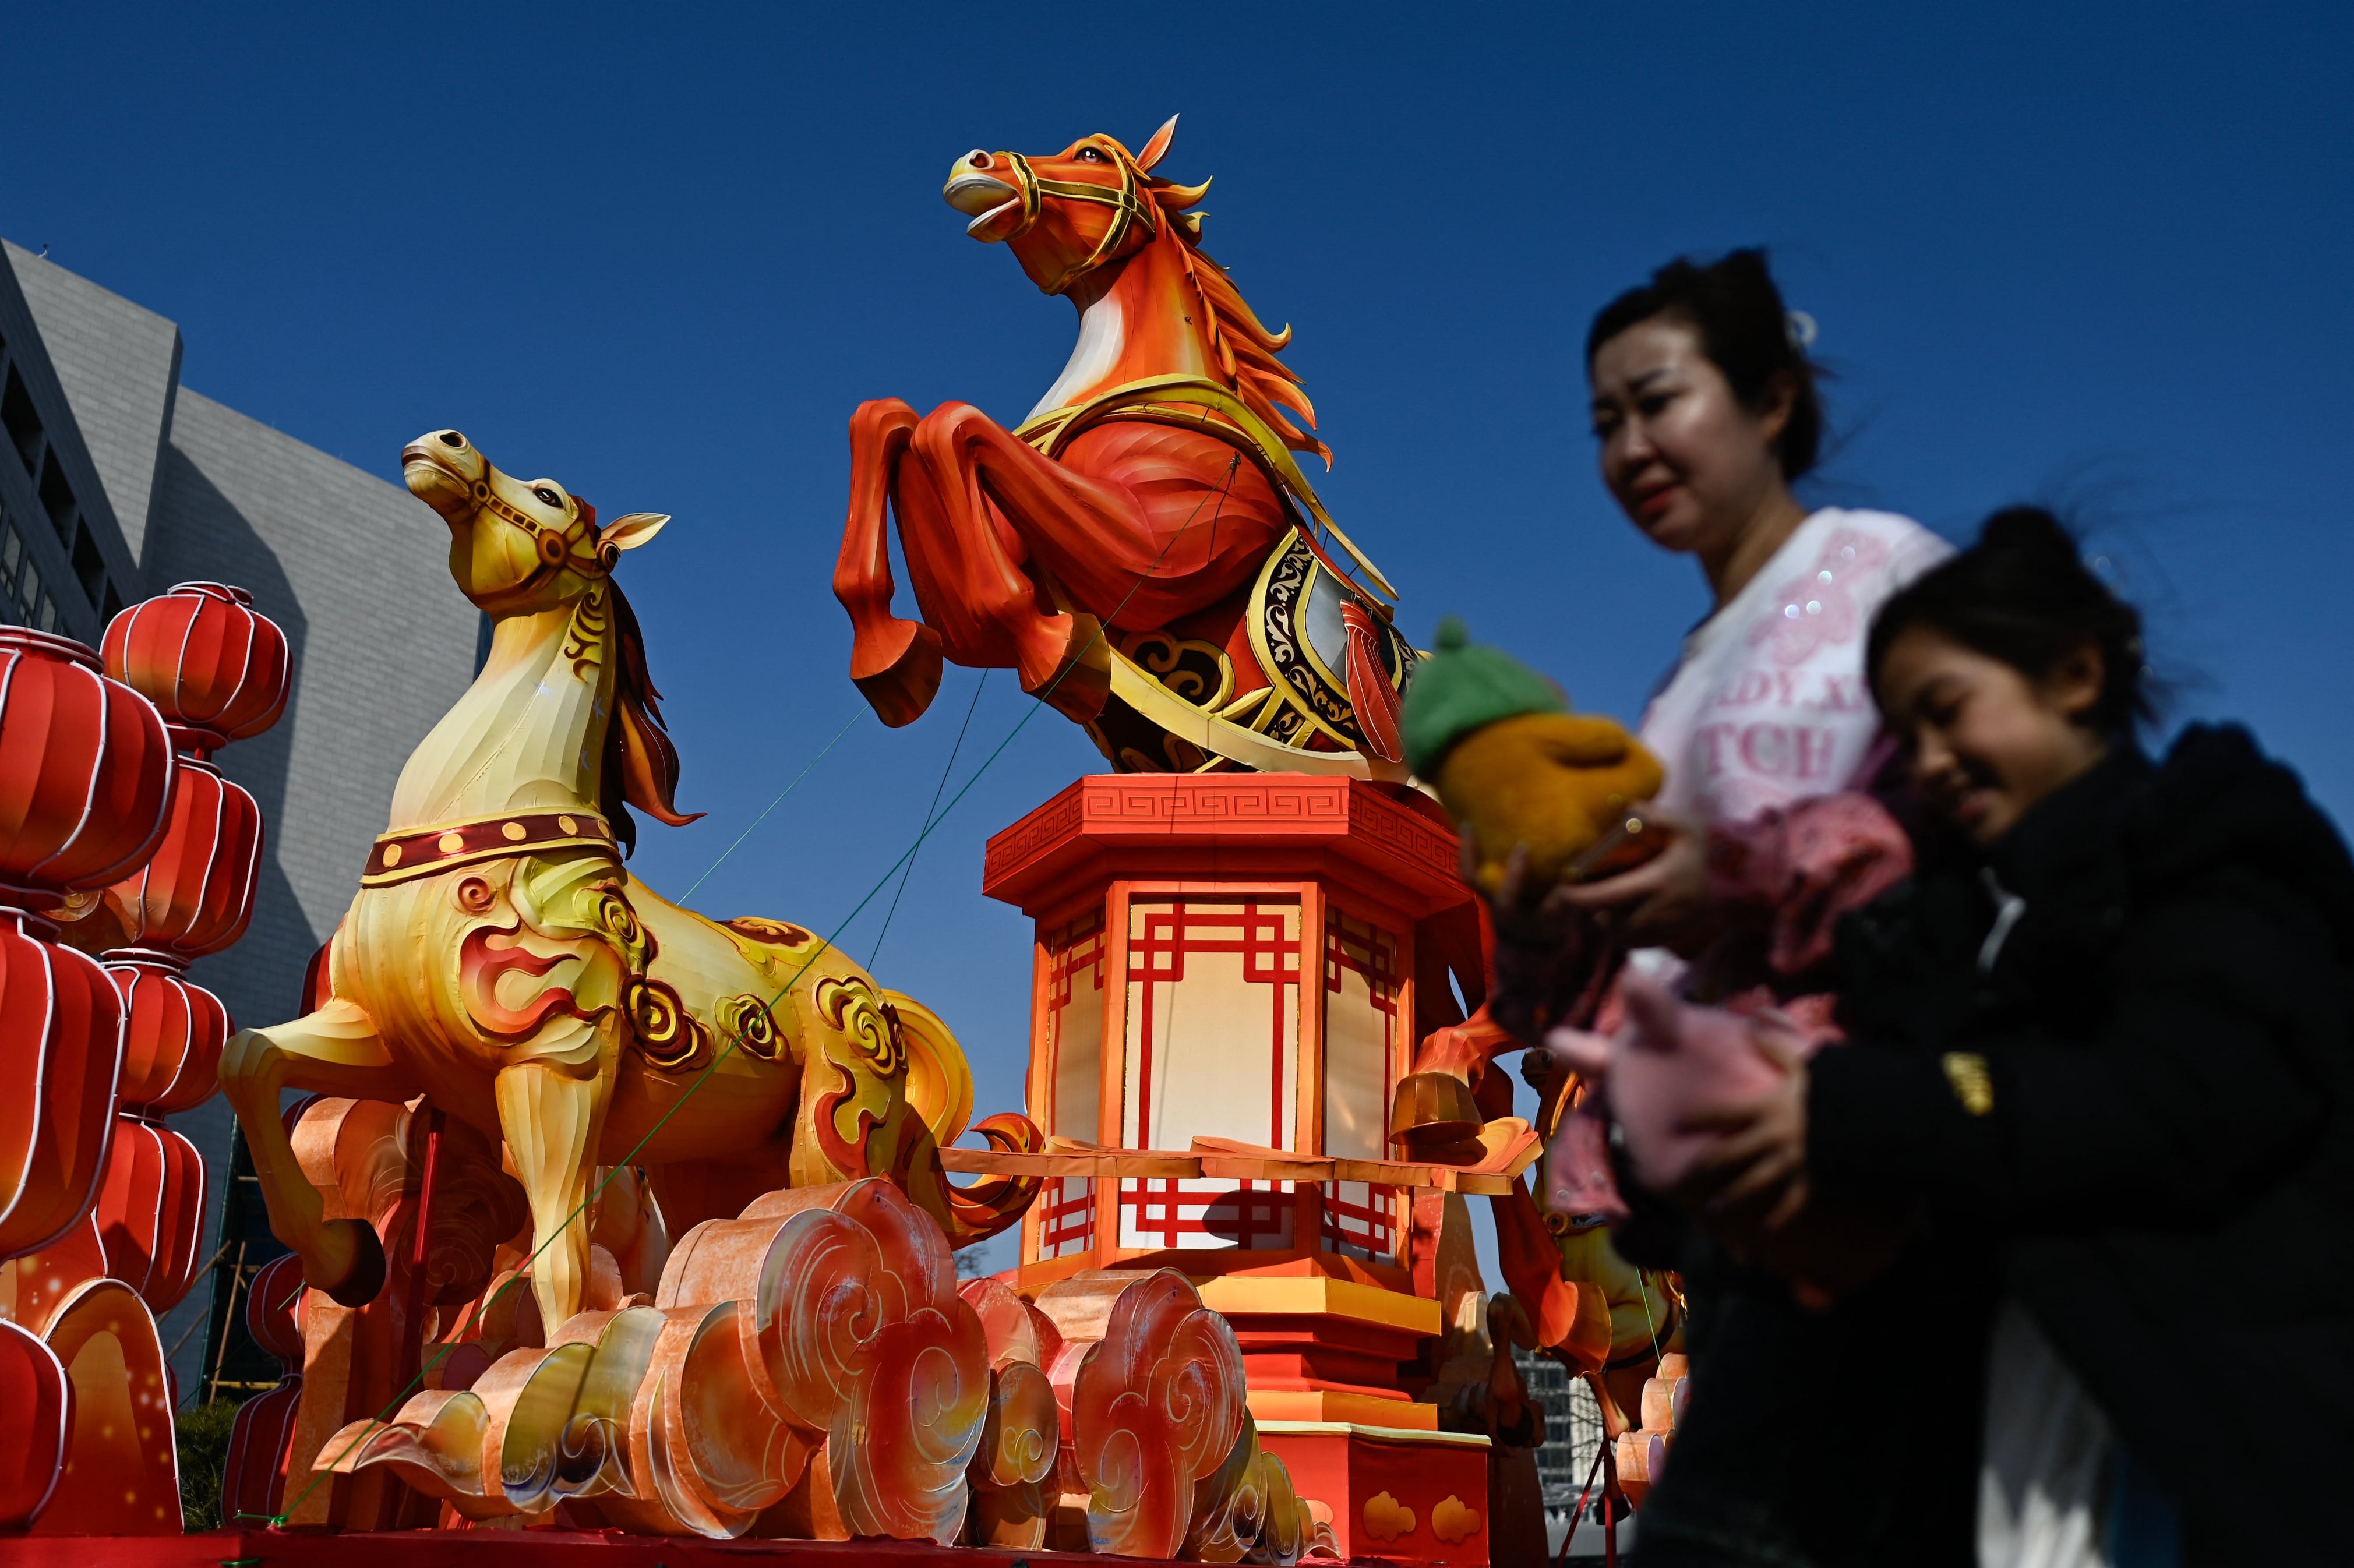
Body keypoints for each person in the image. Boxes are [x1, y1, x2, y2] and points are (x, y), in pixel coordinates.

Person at [1620, 508, 2354, 1565]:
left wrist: (1842, 1111)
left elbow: (2173, 1104)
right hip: (2006, 1470)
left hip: (2208, 1466)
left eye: (1947, 710)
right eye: (1904, 737)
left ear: (2074, 675)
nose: (1931, 762)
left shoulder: (2220, 854)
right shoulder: (1944, 932)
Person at [1485, 249, 1958, 1563]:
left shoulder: (1884, 574)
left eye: (1657, 399)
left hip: (1889, 1192)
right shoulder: (1680, 688)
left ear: (1767, 401)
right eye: (1602, 422)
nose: (1629, 445)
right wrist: (1536, 926)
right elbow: (1607, 1001)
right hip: (1739, 1239)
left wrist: (1739, 880)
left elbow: (1991, 815)